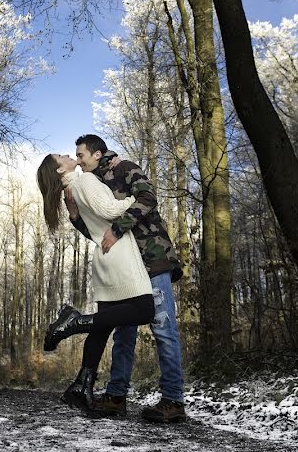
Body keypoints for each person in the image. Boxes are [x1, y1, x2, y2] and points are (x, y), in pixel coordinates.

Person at [65, 134, 186, 423]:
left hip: (153, 260)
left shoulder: (124, 168)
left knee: (163, 329)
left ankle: (173, 400)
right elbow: (99, 235)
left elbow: (148, 197)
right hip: (126, 268)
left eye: (81, 155)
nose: (78, 161)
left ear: (97, 154)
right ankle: (116, 397)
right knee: (123, 333)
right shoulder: (91, 184)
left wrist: (119, 227)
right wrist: (74, 216)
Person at [37, 153, 155, 416]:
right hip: (119, 252)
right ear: (59, 170)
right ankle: (75, 322)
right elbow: (111, 210)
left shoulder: (72, 190)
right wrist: (136, 198)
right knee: (145, 310)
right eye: (62, 156)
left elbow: (92, 226)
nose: (68, 155)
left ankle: (81, 385)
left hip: (103, 256)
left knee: (102, 326)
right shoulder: (84, 181)